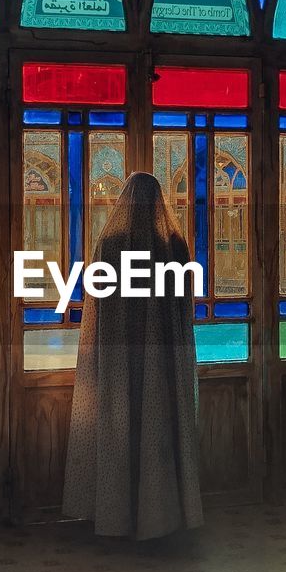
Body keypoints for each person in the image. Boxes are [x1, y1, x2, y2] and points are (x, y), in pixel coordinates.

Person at [62, 171, 203, 539]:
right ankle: (162, 521)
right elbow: (182, 308)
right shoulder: (172, 243)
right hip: (161, 367)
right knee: (157, 440)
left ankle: (117, 519)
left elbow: (97, 306)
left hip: (119, 364)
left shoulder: (110, 243)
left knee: (119, 435)